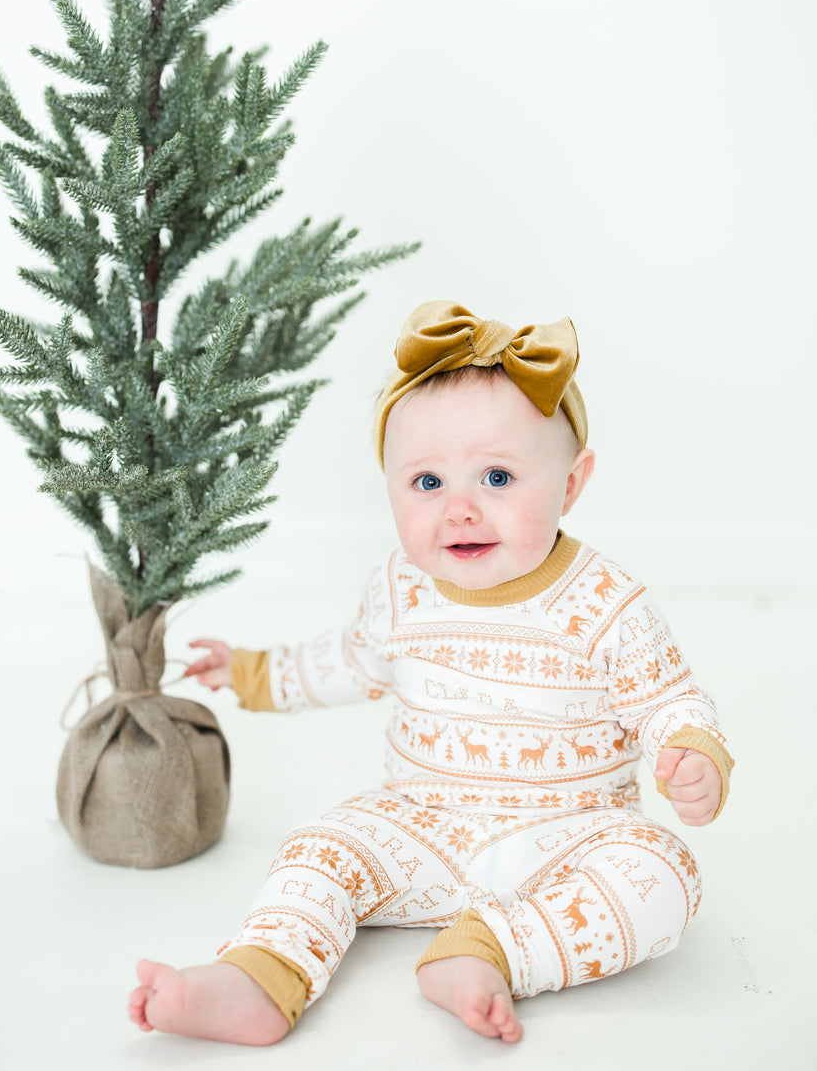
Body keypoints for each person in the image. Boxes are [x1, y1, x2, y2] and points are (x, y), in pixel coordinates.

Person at [127, 300, 732, 1046]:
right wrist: (254, 672)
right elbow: (347, 661)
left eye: (499, 477)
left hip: (571, 838)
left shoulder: (607, 604)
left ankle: (490, 951)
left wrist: (691, 753)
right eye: (426, 484)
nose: (461, 510)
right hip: (422, 826)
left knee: (665, 877)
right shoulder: (400, 588)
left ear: (572, 484)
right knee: (323, 845)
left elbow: (669, 699)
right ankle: (260, 972)